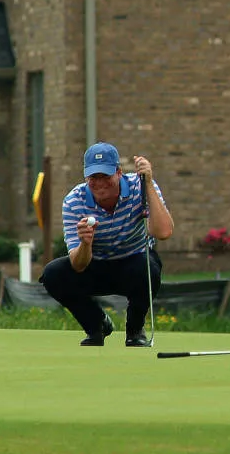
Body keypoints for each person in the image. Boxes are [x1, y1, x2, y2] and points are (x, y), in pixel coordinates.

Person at [41, 142, 174, 347]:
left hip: (134, 263)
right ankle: (96, 325)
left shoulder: (141, 186)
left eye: (106, 176)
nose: (100, 183)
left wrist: (148, 183)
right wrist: (86, 243)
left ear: (119, 172)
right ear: (86, 177)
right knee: (53, 274)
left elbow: (163, 232)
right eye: (94, 177)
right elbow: (78, 265)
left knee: (149, 267)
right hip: (94, 265)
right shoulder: (74, 201)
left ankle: (135, 330)